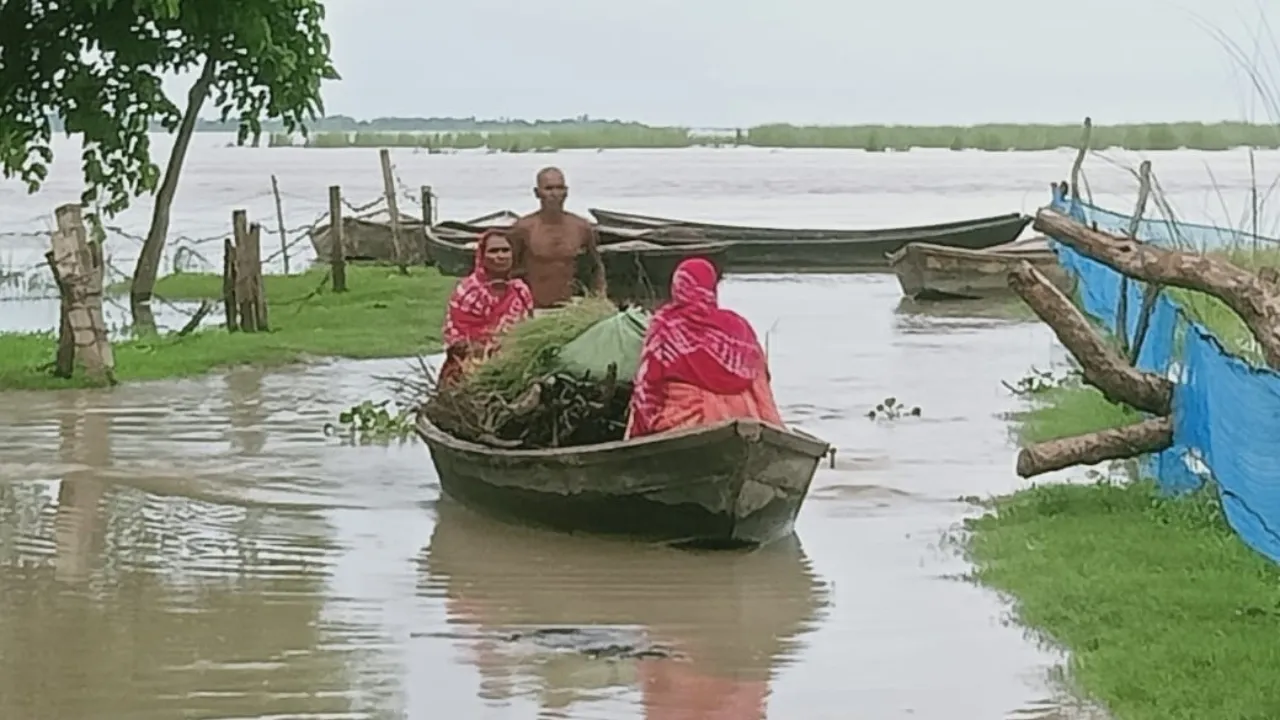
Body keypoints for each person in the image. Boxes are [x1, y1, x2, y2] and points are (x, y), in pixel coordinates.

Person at [625, 257, 783, 439]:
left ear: (677, 287)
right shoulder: (738, 326)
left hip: (686, 420)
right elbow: (761, 379)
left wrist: (639, 431)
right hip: (745, 414)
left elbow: (649, 385)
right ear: (712, 288)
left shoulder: (665, 325)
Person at [439, 230, 534, 385]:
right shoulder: (470, 291)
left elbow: (528, 329)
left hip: (514, 365)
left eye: (505, 250)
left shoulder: (520, 291)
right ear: (482, 257)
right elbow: (458, 340)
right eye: (493, 251)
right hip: (470, 369)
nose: (501, 256)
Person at [506, 166, 607, 311]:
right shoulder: (524, 228)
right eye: (548, 188)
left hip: (569, 306)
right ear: (537, 193)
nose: (554, 194)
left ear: (566, 192)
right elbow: (509, 268)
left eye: (559, 188)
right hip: (533, 307)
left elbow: (596, 266)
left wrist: (598, 297)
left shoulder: (581, 227)